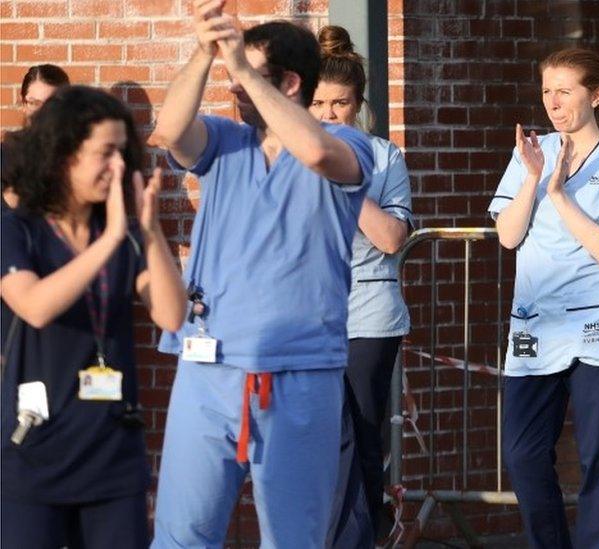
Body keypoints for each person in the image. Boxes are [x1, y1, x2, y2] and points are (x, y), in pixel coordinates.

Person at [148, 3, 374, 547]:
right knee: (181, 537)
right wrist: (205, 50)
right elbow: (170, 130)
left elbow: (318, 152)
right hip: (208, 370)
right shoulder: (226, 140)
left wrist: (246, 69)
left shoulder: (351, 144)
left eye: (244, 79)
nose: (234, 91)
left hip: (298, 375)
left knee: (294, 540)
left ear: (289, 83)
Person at [0, 85, 185, 548]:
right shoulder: (18, 227)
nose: (118, 167)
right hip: (34, 450)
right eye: (105, 154)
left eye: (123, 153)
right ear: (64, 154)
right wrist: (109, 242)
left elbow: (171, 314)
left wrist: (148, 230)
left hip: (111, 453)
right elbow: (35, 306)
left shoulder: (121, 231)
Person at [488, 48, 599, 549]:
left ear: (594, 95)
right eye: (546, 92)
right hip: (535, 328)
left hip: (597, 330)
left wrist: (559, 194)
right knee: (522, 453)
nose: (553, 103)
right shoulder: (530, 152)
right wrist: (534, 176)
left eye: (565, 91)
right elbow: (508, 237)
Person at [312, 25, 413, 547]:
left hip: (368, 312)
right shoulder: (293, 155)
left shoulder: (383, 156)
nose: (329, 115)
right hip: (309, 313)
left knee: (362, 435)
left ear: (358, 104)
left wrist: (347, 182)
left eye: (341, 103)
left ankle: (361, 537)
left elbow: (393, 237)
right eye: (319, 103)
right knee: (324, 437)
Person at [3, 64, 70, 211]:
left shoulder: (77, 157)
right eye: (34, 103)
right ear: (24, 104)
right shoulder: (4, 155)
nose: (42, 112)